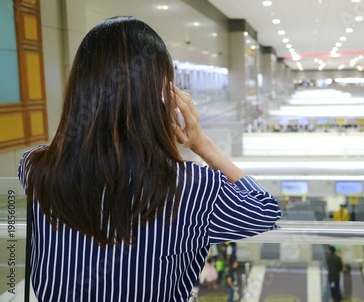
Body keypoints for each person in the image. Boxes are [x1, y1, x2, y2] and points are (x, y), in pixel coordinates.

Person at [18, 16, 281, 302]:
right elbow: (265, 210)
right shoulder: (192, 186)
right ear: (162, 98)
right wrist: (203, 145)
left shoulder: (34, 167)